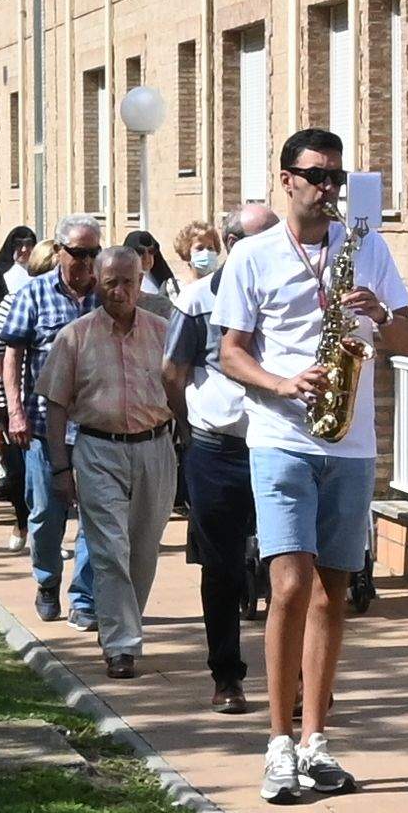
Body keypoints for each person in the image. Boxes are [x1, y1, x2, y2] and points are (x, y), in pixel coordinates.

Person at [216, 126, 408, 806]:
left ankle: (316, 740)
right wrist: (280, 385)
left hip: (350, 440)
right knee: (291, 584)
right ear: (288, 180)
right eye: (317, 176)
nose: (329, 188)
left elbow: (407, 338)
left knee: (335, 593)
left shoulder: (367, 250)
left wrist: (380, 311)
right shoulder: (253, 254)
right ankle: (277, 743)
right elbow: (231, 353)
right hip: (280, 435)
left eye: (337, 176)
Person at [41, 234, 188, 674]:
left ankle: (121, 625)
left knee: (143, 550)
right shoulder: (75, 337)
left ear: (141, 281)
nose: (119, 291)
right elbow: (55, 404)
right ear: (96, 283)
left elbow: (180, 392)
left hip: (156, 448)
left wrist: (192, 442)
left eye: (127, 282)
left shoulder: (164, 333)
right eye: (109, 283)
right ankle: (121, 644)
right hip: (98, 450)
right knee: (108, 548)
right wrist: (60, 466)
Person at [170, 204, 274, 715]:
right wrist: (189, 428)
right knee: (223, 567)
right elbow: (174, 372)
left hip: (280, 445)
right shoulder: (197, 299)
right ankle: (227, 676)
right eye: (262, 237)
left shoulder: (294, 293)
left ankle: (293, 680)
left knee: (289, 566)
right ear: (232, 243)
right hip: (217, 448)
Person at [0, 217, 103, 602]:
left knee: (95, 517)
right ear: (59, 251)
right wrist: (15, 412)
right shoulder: (33, 295)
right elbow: (13, 356)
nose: (87, 262)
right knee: (45, 515)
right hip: (42, 427)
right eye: (78, 253)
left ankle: (84, 596)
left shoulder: (106, 297)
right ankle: (48, 580)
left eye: (93, 253)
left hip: (95, 426)